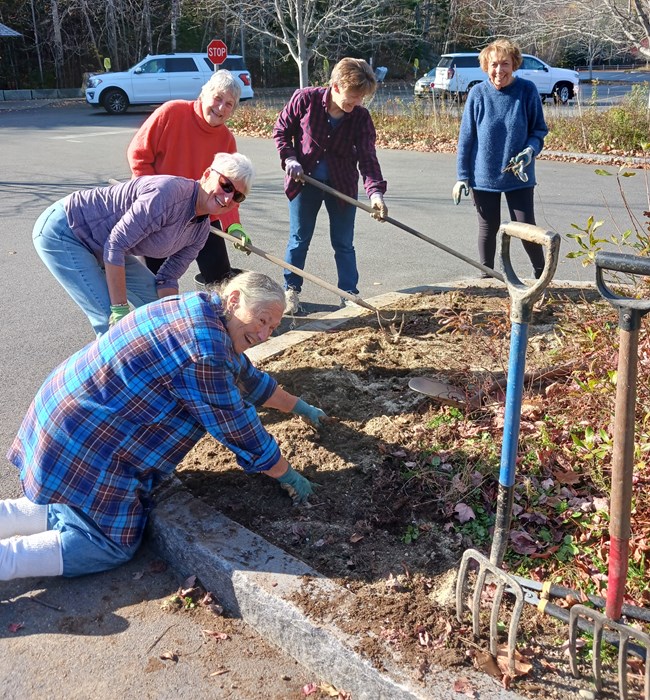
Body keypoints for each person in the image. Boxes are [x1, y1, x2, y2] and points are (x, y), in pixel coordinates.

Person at [1, 272, 328, 581]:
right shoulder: (204, 353)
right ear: (234, 300)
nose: (263, 335)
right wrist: (287, 474)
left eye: (273, 327)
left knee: (76, 505)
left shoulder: (199, 309)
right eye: (261, 321)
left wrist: (297, 406)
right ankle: (7, 559)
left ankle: (10, 516)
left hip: (67, 409)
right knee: (109, 541)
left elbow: (246, 376)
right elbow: (237, 426)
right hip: (87, 440)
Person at [33, 151, 253, 337]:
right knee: (111, 321)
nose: (228, 198)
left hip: (109, 246)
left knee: (157, 308)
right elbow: (116, 245)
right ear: (207, 175)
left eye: (238, 197)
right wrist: (119, 309)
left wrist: (173, 324)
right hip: (68, 231)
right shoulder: (167, 194)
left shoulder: (200, 231)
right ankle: (119, 384)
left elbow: (167, 278)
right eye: (226, 185)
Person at [273, 57, 388, 314]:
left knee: (344, 243)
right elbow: (281, 130)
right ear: (335, 86)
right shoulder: (305, 100)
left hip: (342, 186)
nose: (356, 103)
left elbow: (368, 158)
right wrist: (290, 158)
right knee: (299, 239)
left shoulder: (360, 117)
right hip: (305, 182)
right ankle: (291, 290)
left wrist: (376, 193)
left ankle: (348, 294)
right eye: (353, 97)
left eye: (361, 98)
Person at [127, 70, 250, 287]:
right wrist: (155, 197)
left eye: (229, 104)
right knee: (154, 282)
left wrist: (234, 226)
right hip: (160, 212)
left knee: (221, 280)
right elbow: (138, 155)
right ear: (204, 93)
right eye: (218, 98)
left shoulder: (226, 140)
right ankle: (154, 318)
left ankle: (219, 318)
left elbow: (228, 189)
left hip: (202, 216)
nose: (221, 108)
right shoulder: (172, 112)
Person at [453, 38, 548, 278]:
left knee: (527, 229)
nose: (498, 70)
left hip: (519, 175)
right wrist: (462, 177)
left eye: (504, 64)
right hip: (483, 176)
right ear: (486, 66)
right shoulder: (478, 93)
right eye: (494, 64)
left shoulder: (526, 91)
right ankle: (487, 279)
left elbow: (538, 131)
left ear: (514, 64)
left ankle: (542, 275)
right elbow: (466, 138)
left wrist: (529, 151)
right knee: (488, 228)